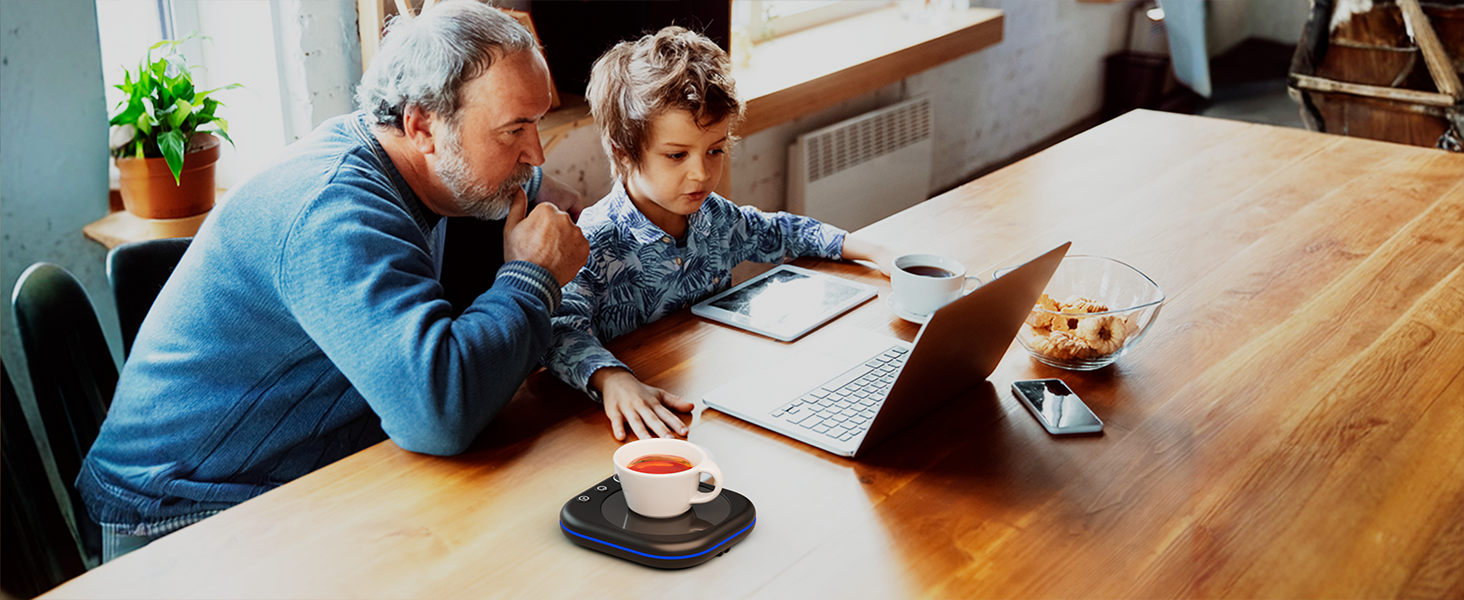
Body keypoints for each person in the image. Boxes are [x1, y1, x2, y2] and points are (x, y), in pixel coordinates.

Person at [77, 1, 589, 561]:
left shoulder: (399, 155)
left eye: (536, 121)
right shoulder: (336, 210)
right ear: (421, 125)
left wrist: (533, 181)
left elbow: (492, 168)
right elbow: (437, 414)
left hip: (293, 473)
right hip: (180, 516)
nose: (535, 151)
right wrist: (531, 276)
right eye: (514, 129)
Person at [542, 26, 897, 442]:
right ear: (622, 151)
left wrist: (878, 252)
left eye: (715, 150)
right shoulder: (590, 242)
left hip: (711, 404)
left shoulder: (715, 217)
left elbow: (781, 232)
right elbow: (557, 329)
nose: (702, 173)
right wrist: (612, 380)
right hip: (626, 429)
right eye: (677, 155)